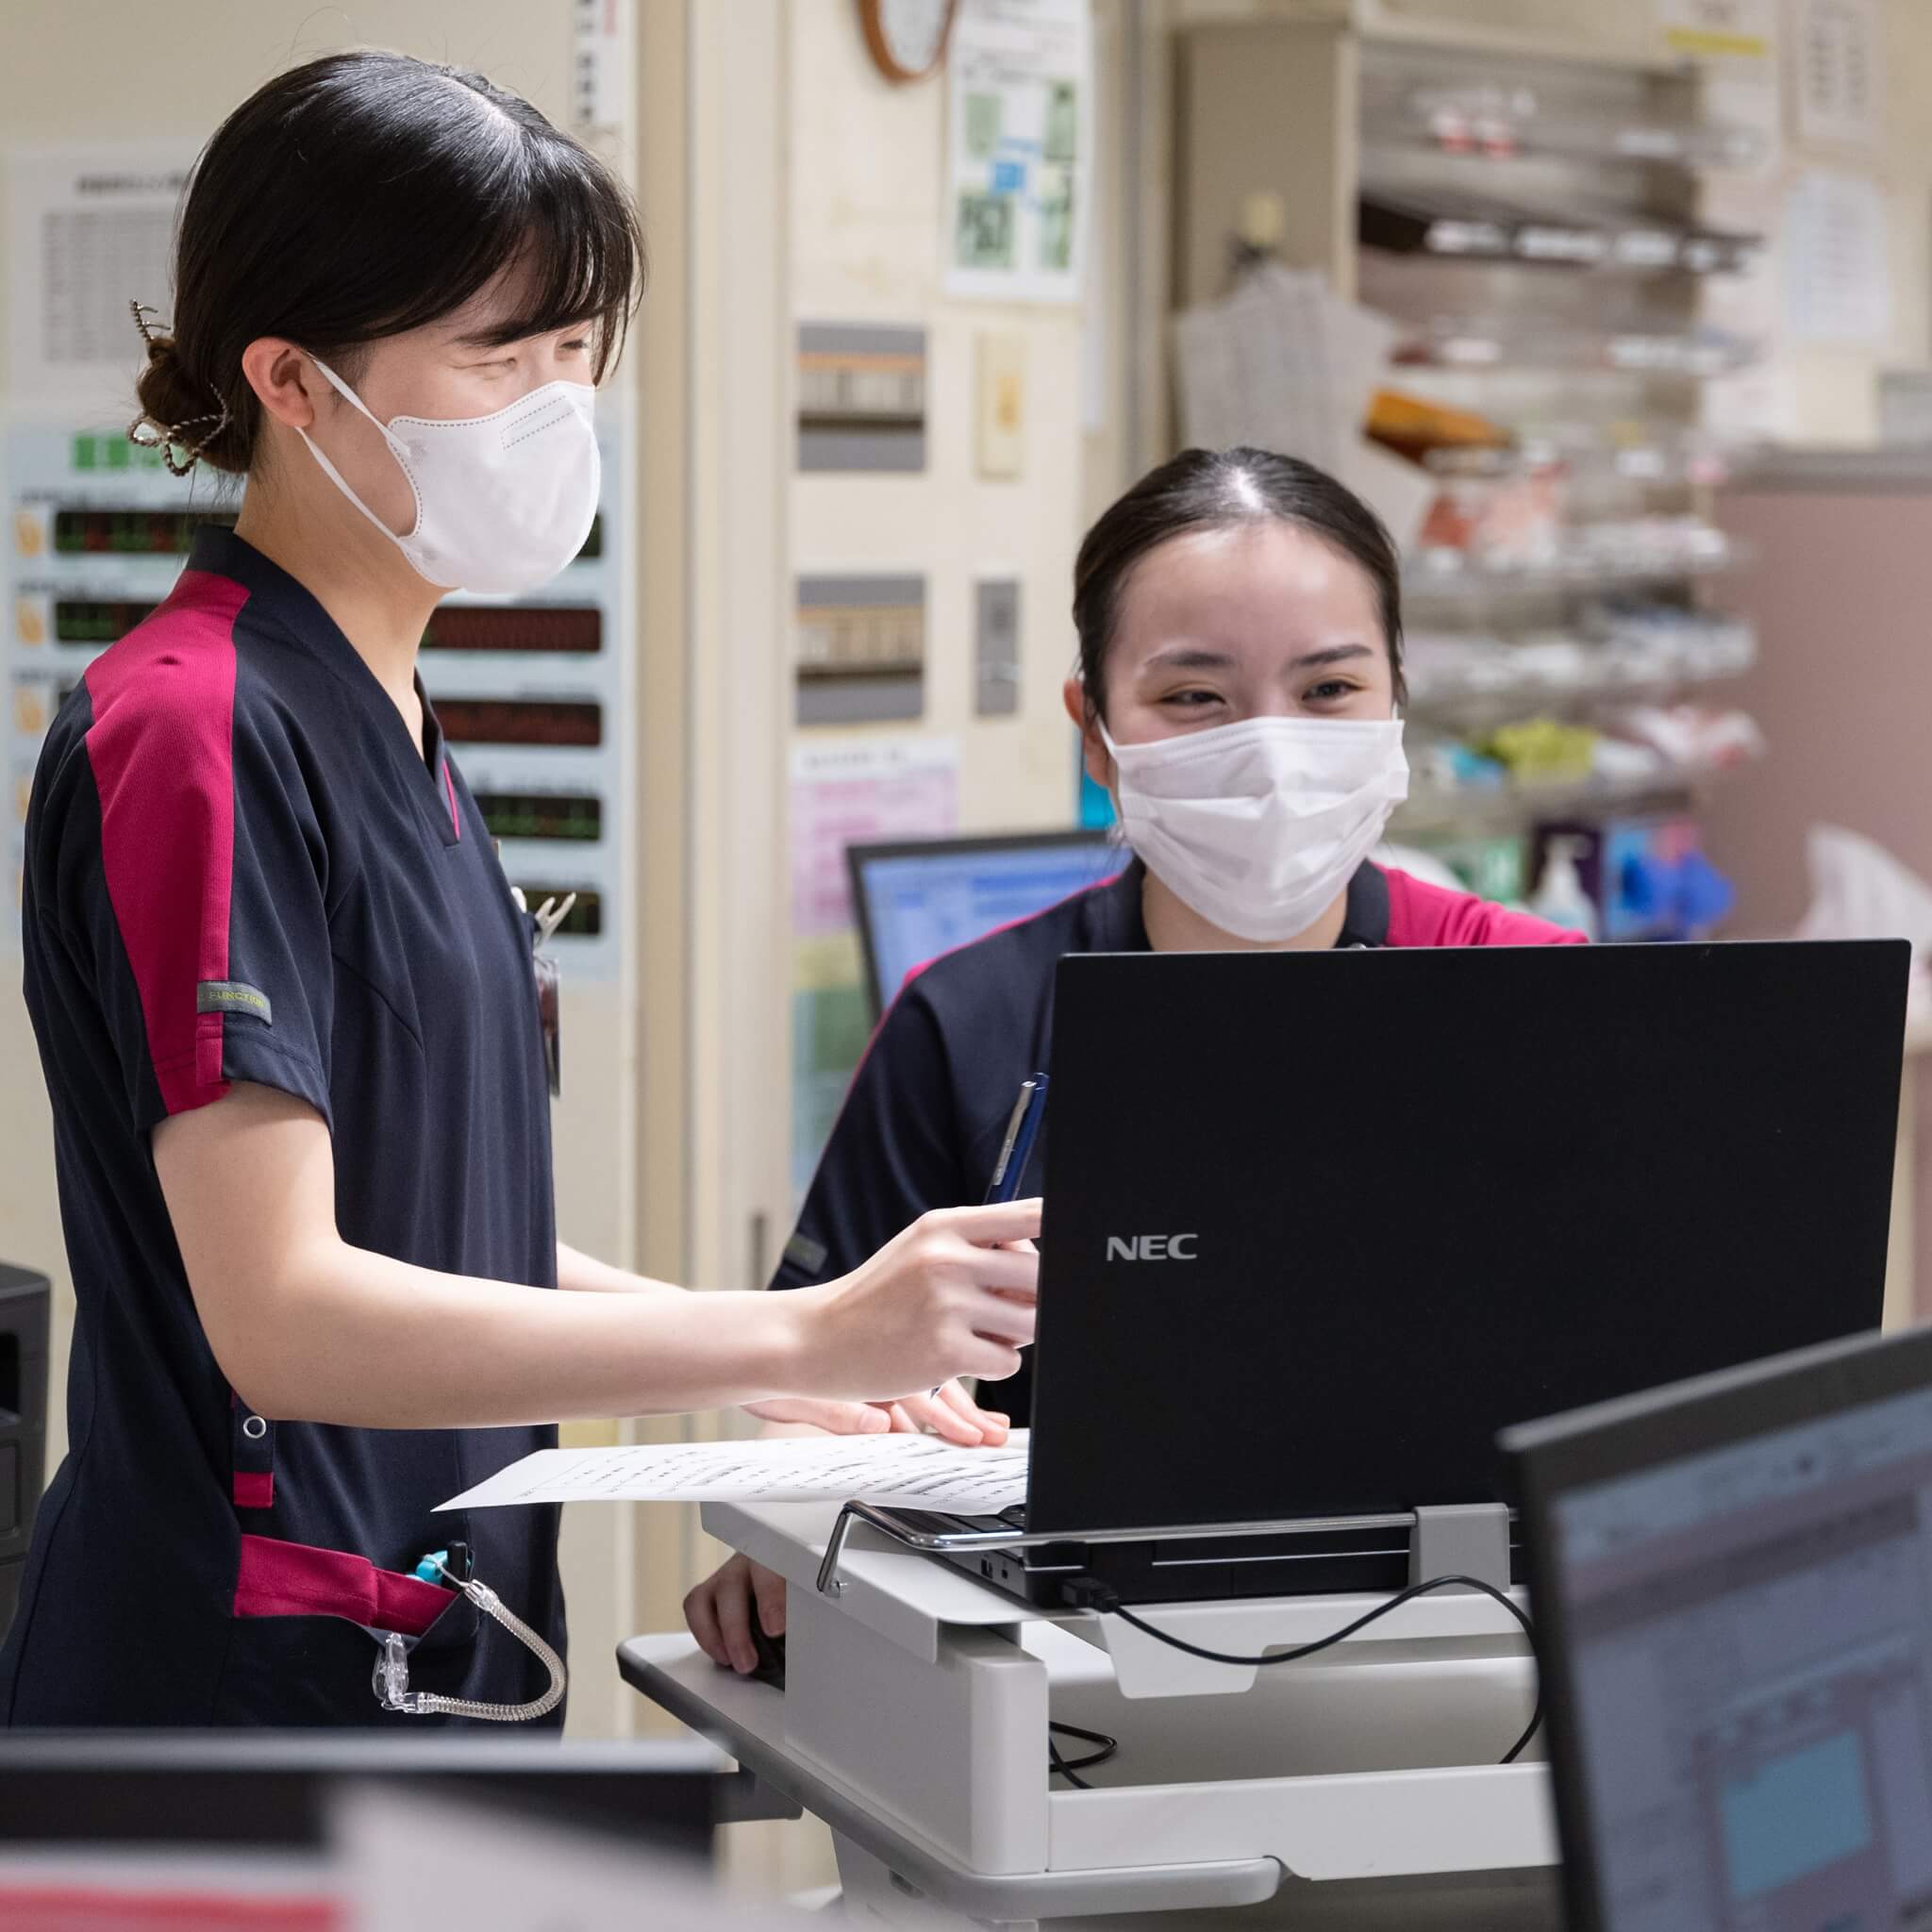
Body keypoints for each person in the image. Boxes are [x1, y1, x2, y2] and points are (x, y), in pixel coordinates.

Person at [4, 51, 1030, 1728]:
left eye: (578, 353)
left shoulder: (386, 704)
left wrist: (795, 1361)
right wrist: (790, 1340)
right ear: (295, 380)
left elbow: (431, 1220)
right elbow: (288, 1313)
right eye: (501, 354)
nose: (559, 407)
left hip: (427, 1647)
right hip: (238, 1691)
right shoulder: (196, 726)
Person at [685, 445, 1584, 1671]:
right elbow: (814, 1381)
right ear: (1096, 733)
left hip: (1470, 1662)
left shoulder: (1527, 993)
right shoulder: (976, 1023)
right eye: (1196, 698)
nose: (1270, 753)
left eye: (1327, 691)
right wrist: (802, 1527)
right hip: (1047, 1676)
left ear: (1395, 702)